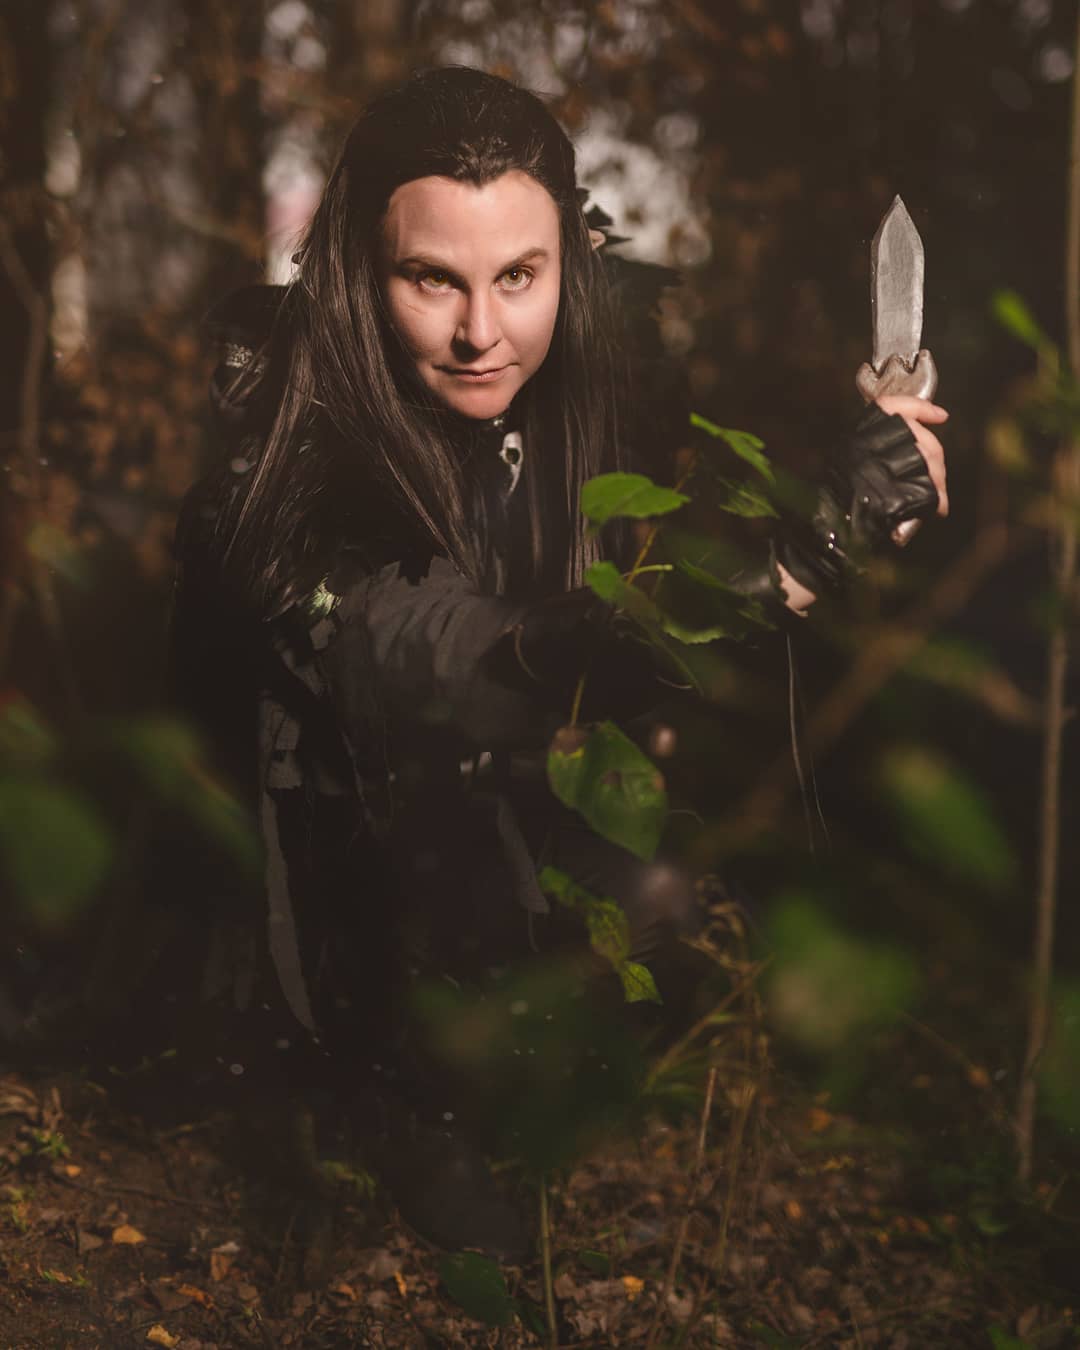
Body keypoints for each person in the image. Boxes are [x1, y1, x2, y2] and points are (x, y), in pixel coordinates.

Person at [170, 66, 948, 1257]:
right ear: (360, 273)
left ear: (567, 266)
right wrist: (804, 553)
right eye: (432, 278)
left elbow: (713, 449)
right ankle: (399, 1098)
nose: (482, 333)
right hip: (322, 872)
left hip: (511, 812)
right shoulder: (275, 454)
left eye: (518, 277)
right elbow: (441, 661)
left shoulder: (595, 350)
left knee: (664, 910)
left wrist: (860, 446)